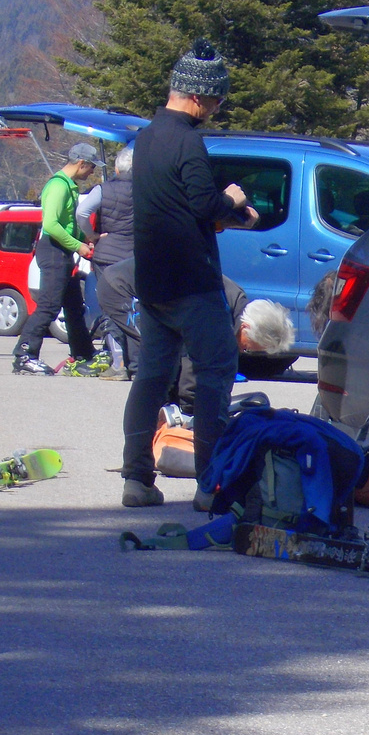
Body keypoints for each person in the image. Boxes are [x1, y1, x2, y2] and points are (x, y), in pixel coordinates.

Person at [120, 39, 259, 509]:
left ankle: (136, 479)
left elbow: (178, 207)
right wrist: (235, 202)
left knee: (151, 379)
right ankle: (211, 486)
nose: (217, 109)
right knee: (215, 376)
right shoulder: (188, 141)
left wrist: (220, 215)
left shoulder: (146, 138)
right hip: (193, 284)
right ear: (198, 96)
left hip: (153, 283)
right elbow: (203, 202)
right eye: (217, 99)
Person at [97, 255, 291, 399]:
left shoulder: (236, 305)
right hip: (121, 288)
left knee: (169, 356)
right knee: (162, 354)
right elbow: (191, 364)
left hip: (155, 292)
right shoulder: (216, 314)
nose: (244, 350)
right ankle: (147, 429)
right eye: (248, 346)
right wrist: (193, 408)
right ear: (246, 327)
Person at [12, 142, 102, 375]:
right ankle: (25, 355)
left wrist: (86, 238)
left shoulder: (68, 186)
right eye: (91, 167)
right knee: (49, 306)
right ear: (81, 163)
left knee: (73, 306)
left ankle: (84, 354)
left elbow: (68, 225)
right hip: (53, 251)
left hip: (62, 251)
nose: (92, 172)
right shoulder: (58, 187)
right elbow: (51, 225)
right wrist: (78, 246)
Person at [77, 146, 136, 378]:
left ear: (116, 168)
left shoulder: (105, 189)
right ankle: (136, 362)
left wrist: (91, 236)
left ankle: (118, 363)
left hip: (107, 256)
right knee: (135, 308)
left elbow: (82, 212)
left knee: (111, 309)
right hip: (135, 256)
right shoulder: (148, 190)